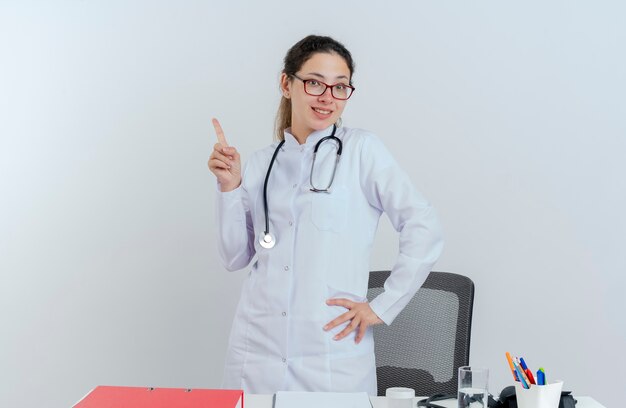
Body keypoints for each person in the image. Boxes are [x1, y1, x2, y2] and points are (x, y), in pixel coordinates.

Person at [208, 35, 443, 395]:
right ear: (287, 83)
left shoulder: (362, 150)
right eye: (315, 82)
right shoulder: (260, 163)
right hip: (257, 350)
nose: (327, 97)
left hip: (330, 354)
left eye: (340, 87)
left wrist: (382, 306)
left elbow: (422, 224)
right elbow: (235, 256)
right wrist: (229, 188)